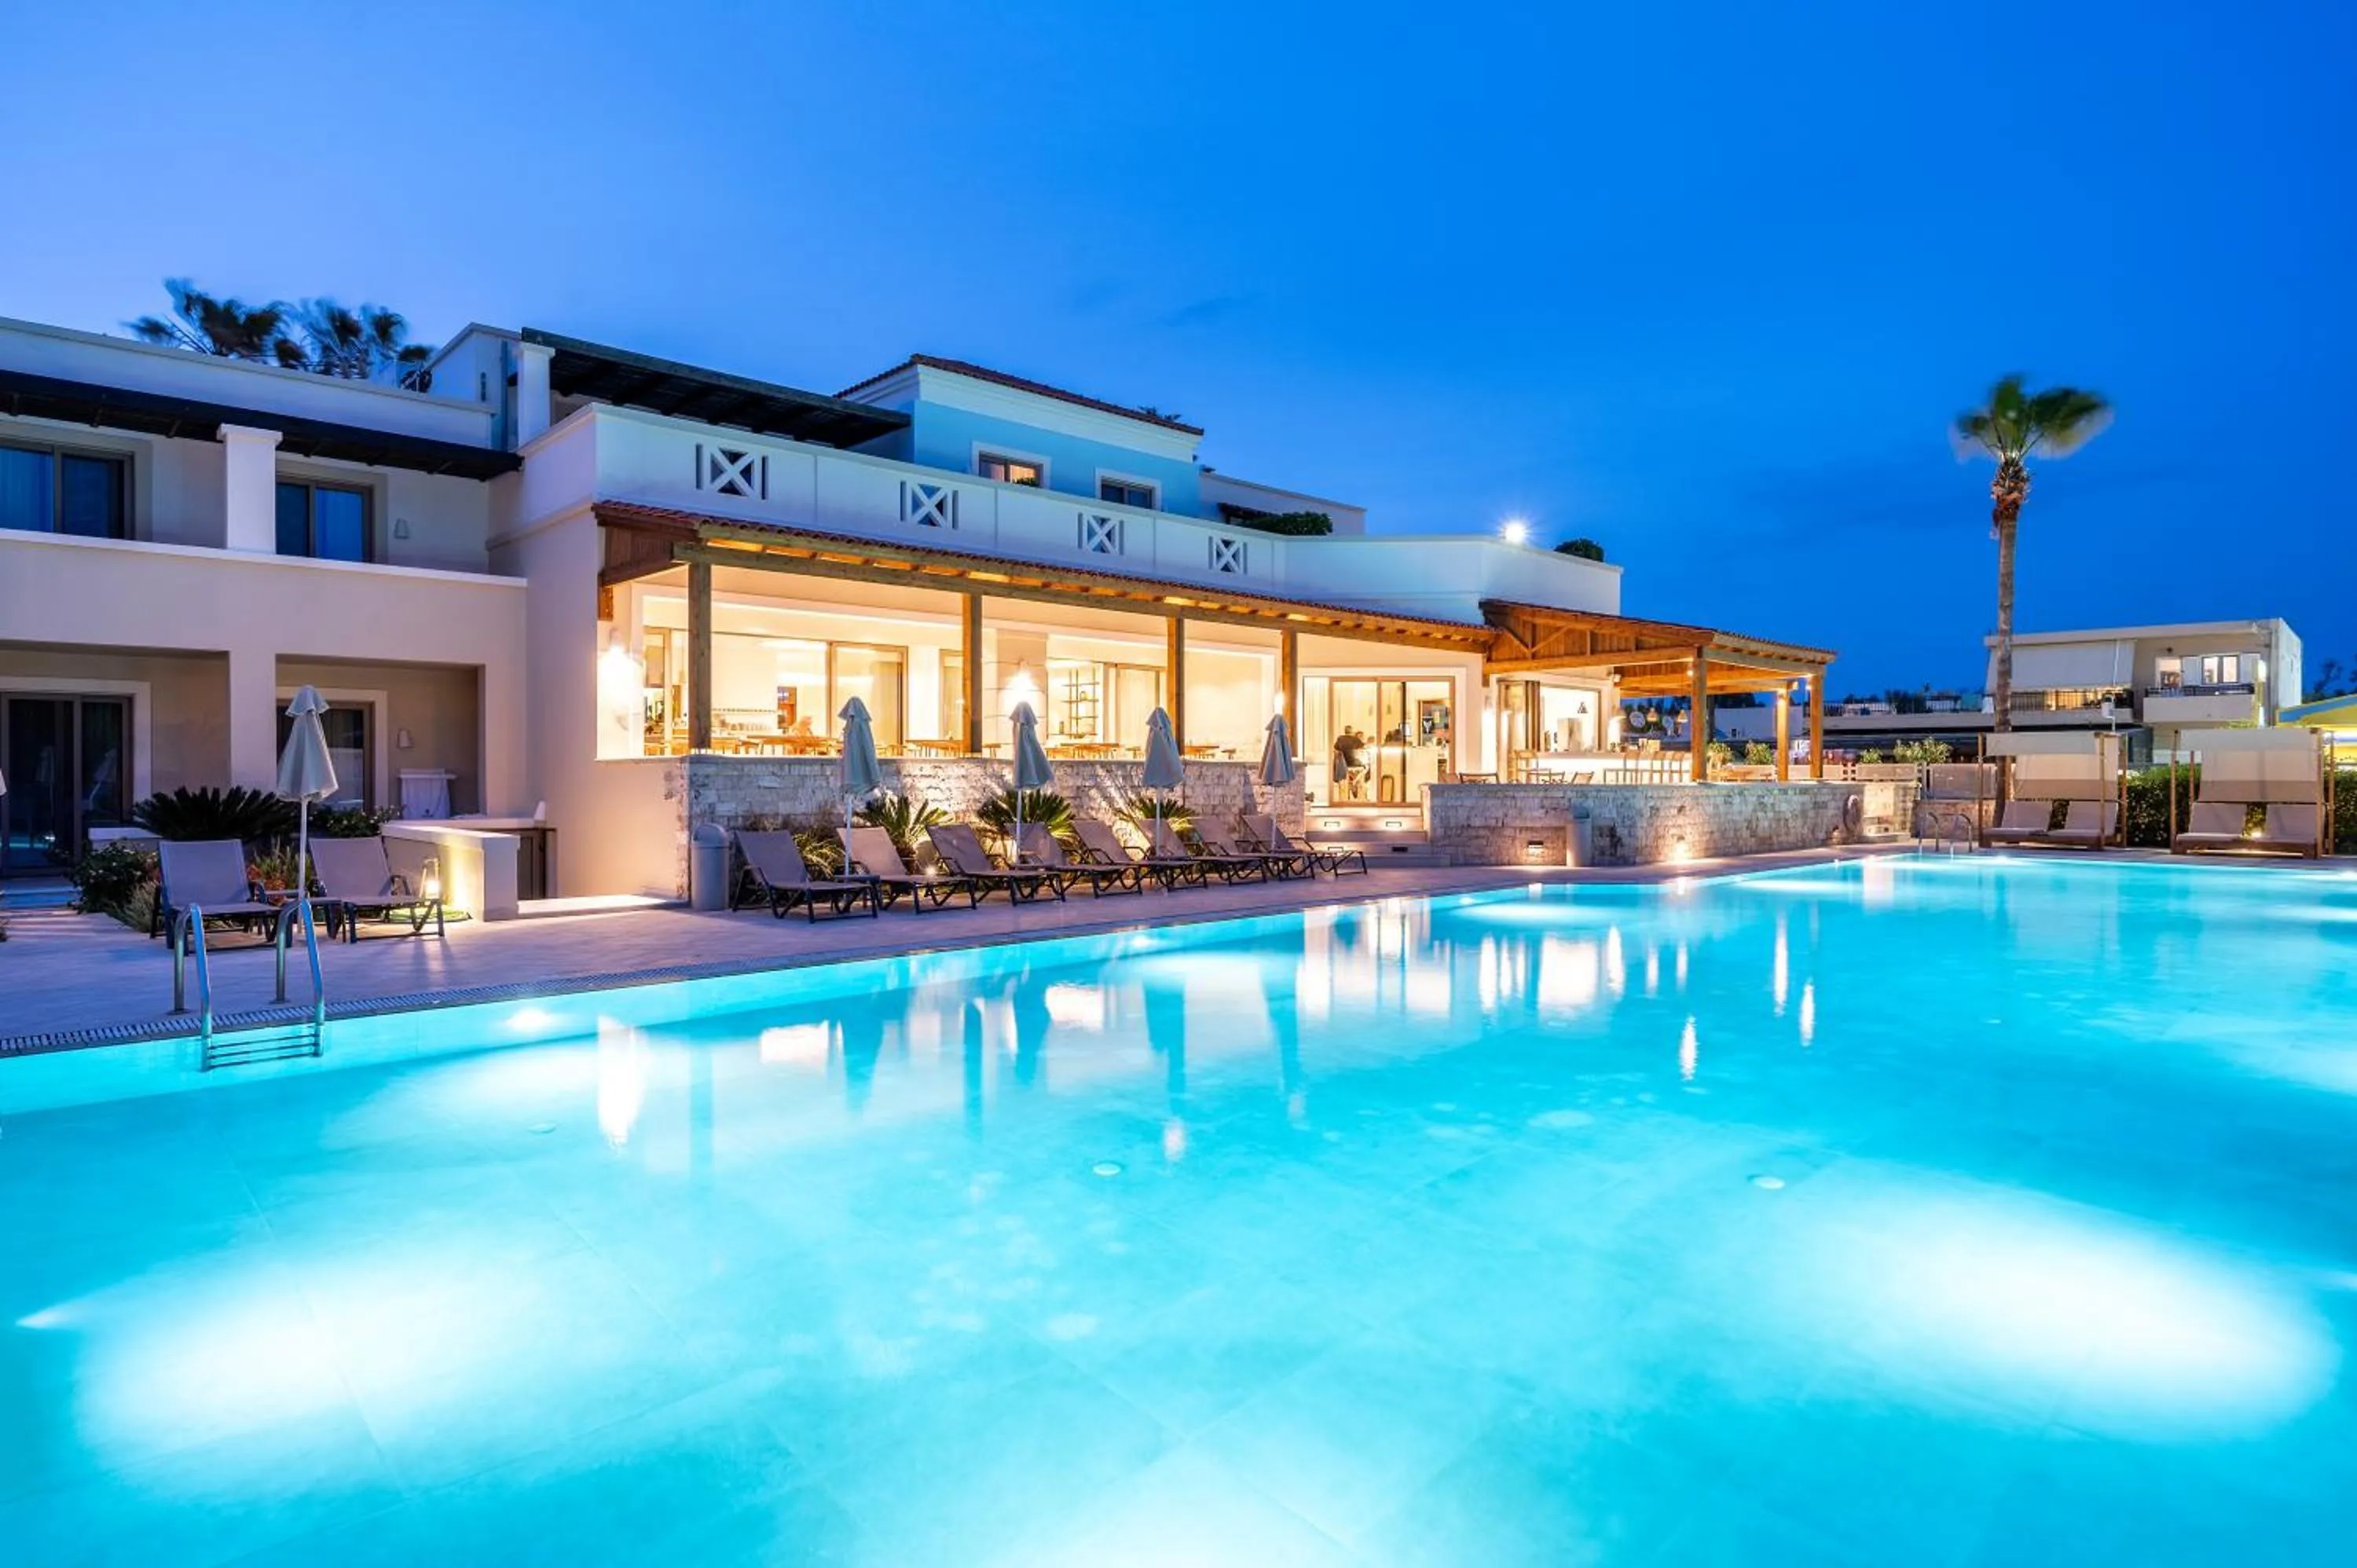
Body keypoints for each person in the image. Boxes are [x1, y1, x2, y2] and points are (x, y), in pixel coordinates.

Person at [1331, 726, 1368, 801]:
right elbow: (1363, 748)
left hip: (1343, 764)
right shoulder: (1355, 739)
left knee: (1350, 772)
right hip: (1354, 762)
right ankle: (1354, 782)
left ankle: (1351, 783)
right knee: (1366, 767)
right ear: (1351, 731)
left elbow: (1335, 749)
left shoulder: (1340, 739)